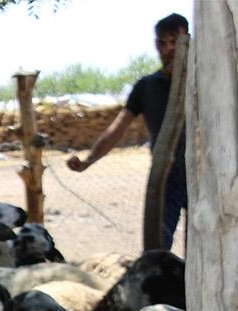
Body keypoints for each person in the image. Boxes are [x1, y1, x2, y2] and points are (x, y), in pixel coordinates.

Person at [67, 13, 190, 251]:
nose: (169, 50)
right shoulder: (147, 87)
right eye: (163, 43)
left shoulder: (207, 81)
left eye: (175, 42)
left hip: (204, 179)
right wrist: (87, 161)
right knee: (156, 251)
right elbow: (117, 129)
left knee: (203, 253)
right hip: (165, 180)